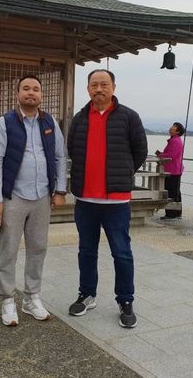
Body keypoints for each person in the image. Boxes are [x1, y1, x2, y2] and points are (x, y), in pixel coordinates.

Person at [66, 69, 148, 328]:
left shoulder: (129, 117)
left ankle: (125, 300)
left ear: (113, 86)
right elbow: (72, 150)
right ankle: (87, 294)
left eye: (104, 84)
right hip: (86, 200)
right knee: (86, 251)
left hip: (116, 201)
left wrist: (120, 175)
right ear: (88, 88)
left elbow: (140, 152)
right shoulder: (79, 119)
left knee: (122, 253)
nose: (98, 89)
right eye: (93, 85)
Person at [0, 75, 67, 326]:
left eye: (35, 89)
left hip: (42, 196)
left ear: (41, 95)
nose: (31, 93)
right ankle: (7, 299)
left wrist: (60, 190)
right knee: (8, 249)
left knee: (38, 248)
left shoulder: (49, 121)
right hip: (13, 197)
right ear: (18, 93)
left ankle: (32, 297)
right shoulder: (6, 122)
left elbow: (59, 157)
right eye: (26, 89)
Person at [155, 122, 185, 219]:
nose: (171, 128)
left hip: (173, 170)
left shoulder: (175, 141)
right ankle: (175, 213)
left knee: (172, 192)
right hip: (173, 170)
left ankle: (172, 214)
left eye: (174, 127)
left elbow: (171, 156)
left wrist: (160, 155)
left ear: (177, 131)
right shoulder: (174, 140)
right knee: (174, 191)